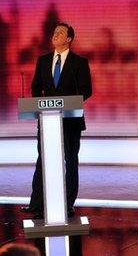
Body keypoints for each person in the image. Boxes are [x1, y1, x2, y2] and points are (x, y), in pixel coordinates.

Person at [20, 22, 92, 219]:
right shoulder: (43, 60)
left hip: (70, 121)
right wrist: (41, 102)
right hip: (47, 120)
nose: (55, 35)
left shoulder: (79, 62)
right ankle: (36, 204)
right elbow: (36, 87)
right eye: (54, 32)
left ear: (69, 39)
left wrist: (68, 103)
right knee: (42, 160)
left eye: (60, 33)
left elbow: (86, 90)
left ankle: (68, 204)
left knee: (71, 161)